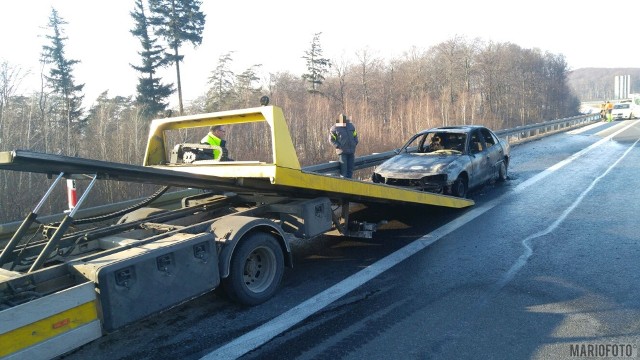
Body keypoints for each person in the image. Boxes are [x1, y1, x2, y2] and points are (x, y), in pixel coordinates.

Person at [329, 114, 358, 178]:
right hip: (342, 153)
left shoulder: (350, 126)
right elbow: (331, 140)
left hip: (351, 151)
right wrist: (338, 146)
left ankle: (350, 186)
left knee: (350, 171)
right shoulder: (335, 128)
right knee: (343, 174)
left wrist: (355, 142)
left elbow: (355, 135)